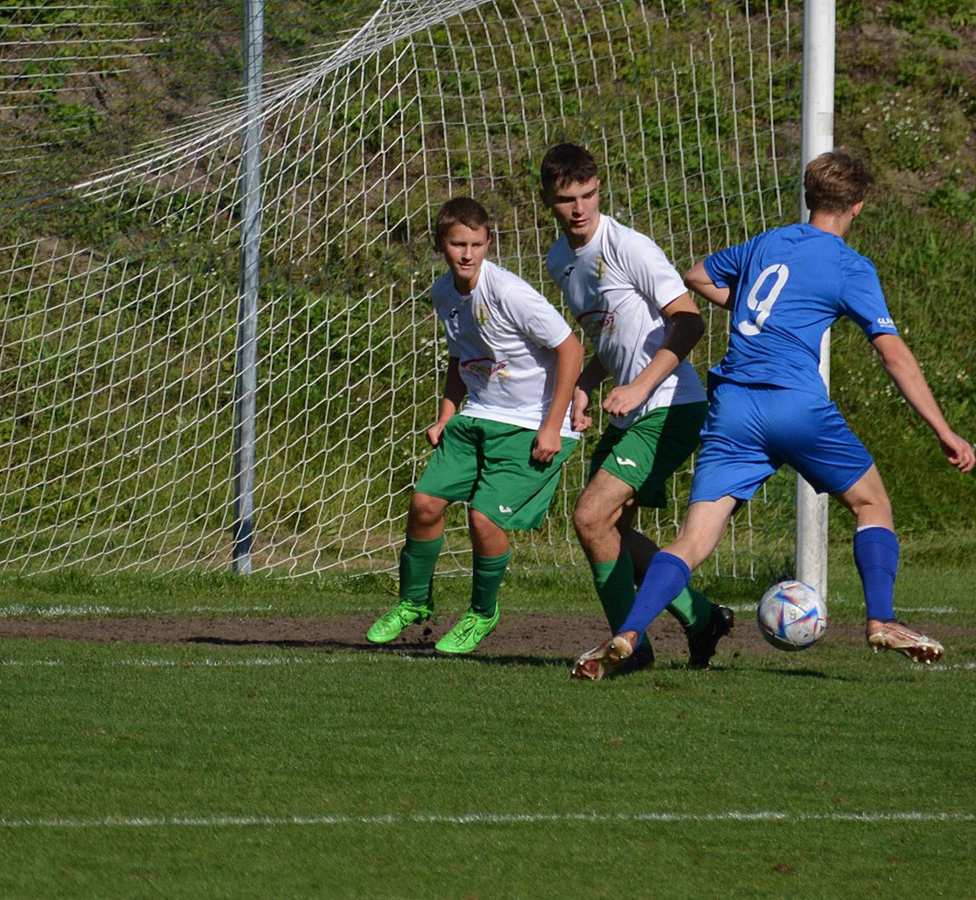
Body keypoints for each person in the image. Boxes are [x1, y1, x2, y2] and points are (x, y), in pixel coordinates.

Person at [573, 151, 975, 679]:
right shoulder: (850, 266)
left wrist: (748, 308)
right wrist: (944, 429)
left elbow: (696, 275)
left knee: (693, 540)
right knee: (872, 502)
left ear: (809, 198)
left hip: (734, 408)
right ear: (857, 206)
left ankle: (629, 630)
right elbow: (893, 355)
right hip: (796, 405)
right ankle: (881, 619)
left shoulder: (768, 242)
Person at [540, 143, 735, 676]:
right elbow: (611, 336)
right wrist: (586, 383)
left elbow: (689, 322)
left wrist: (639, 386)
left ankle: (630, 647)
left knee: (589, 517)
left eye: (588, 195)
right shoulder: (559, 261)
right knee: (610, 532)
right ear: (548, 200)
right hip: (633, 410)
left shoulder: (630, 247)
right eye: (567, 199)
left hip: (672, 405)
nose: (579, 208)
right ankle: (702, 618)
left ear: (599, 190)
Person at [366, 197, 583, 654]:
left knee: (482, 519)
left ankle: (482, 613)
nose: (468, 254)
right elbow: (460, 354)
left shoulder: (509, 292)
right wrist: (446, 414)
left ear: (488, 243)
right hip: (479, 414)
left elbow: (571, 348)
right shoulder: (443, 293)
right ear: (441, 245)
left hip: (530, 422)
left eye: (477, 244)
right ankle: (414, 602)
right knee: (424, 503)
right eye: (458, 244)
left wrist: (551, 426)